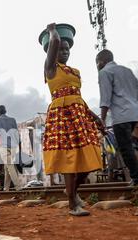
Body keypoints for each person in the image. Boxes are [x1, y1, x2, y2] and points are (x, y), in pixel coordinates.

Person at [42, 23, 103, 217]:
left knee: (90, 157)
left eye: (67, 49)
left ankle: (71, 191)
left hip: (79, 115)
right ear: (51, 51)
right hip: (61, 116)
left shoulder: (75, 72)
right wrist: (52, 30)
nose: (64, 51)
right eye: (60, 49)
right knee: (69, 158)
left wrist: (94, 117)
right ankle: (72, 204)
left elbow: (79, 97)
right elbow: (55, 41)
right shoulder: (50, 69)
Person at [96, 49, 138, 186]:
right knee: (125, 145)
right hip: (134, 114)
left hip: (121, 116)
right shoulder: (127, 71)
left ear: (101, 61)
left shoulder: (104, 72)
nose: (97, 66)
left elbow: (105, 97)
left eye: (97, 63)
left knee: (124, 148)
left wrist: (102, 120)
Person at [0, 105, 23, 191]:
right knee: (7, 168)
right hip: (14, 146)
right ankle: (6, 189)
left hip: (4, 146)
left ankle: (18, 187)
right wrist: (20, 146)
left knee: (10, 166)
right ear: (5, 111)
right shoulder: (12, 120)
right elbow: (17, 133)